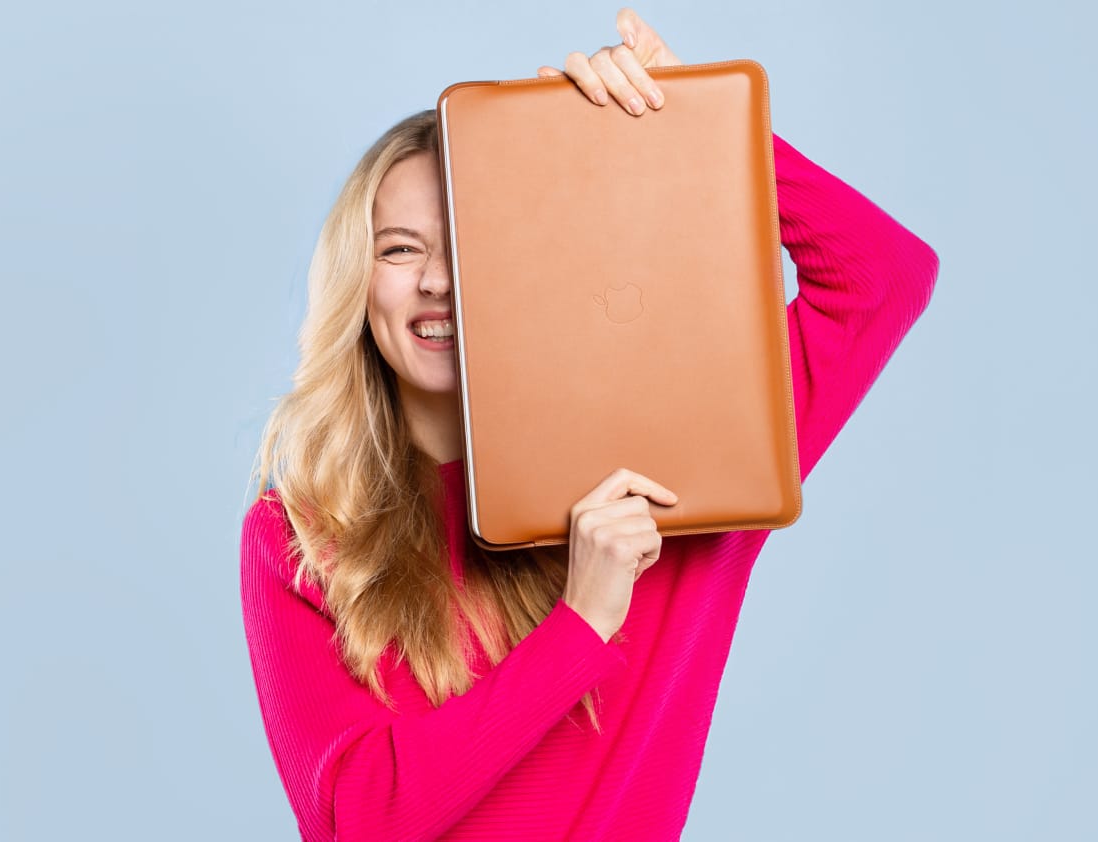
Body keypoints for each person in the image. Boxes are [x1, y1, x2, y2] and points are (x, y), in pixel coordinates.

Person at [240, 9, 939, 841]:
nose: (438, 282)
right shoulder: (298, 536)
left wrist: (691, 122)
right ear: (356, 284)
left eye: (472, 242)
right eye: (398, 249)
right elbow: (352, 820)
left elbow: (882, 276)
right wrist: (578, 627)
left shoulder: (682, 471)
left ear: (535, 259)